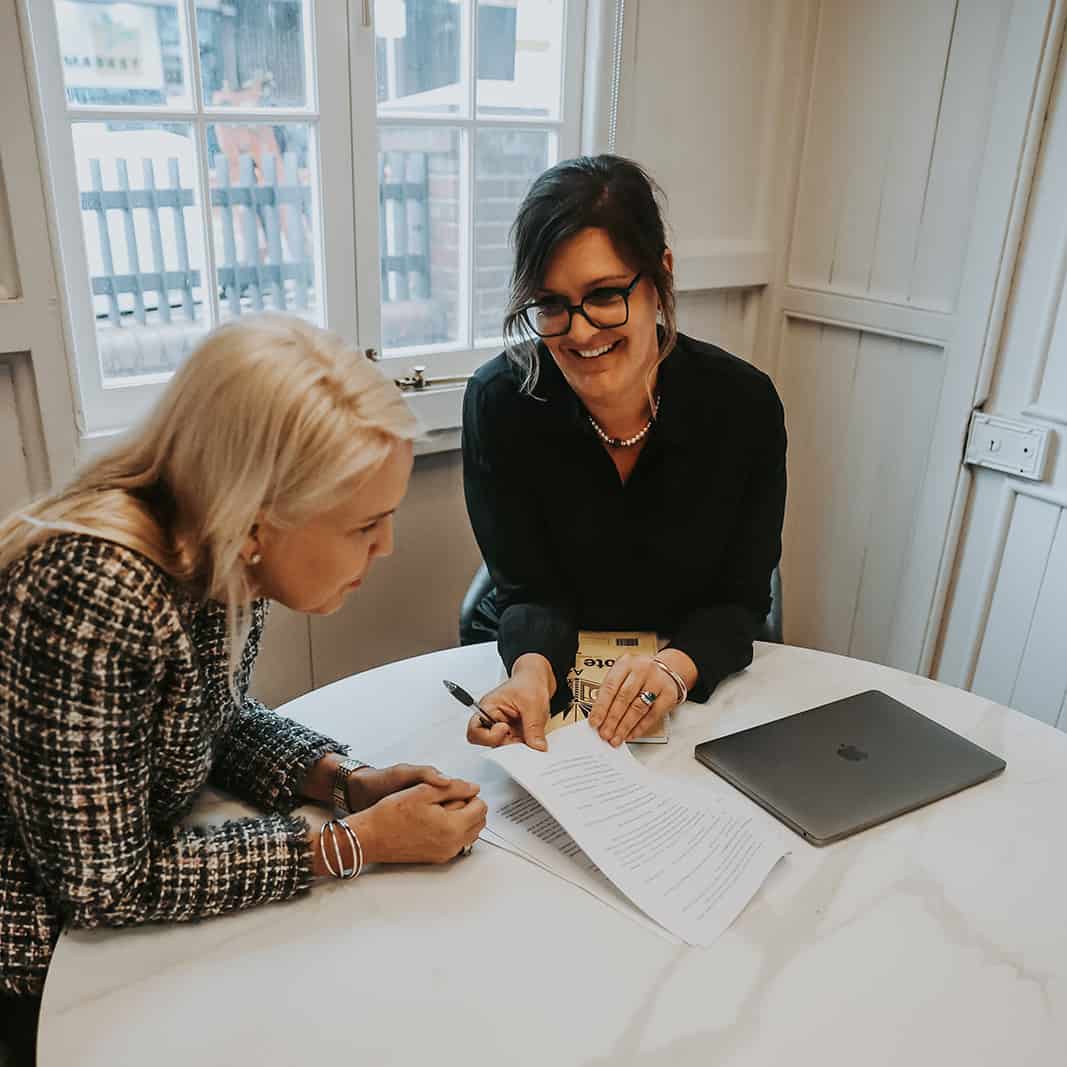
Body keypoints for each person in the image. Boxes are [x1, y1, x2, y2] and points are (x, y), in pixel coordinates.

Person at [0, 314, 486, 1066]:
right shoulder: (91, 591)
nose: (387, 547)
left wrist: (346, 781)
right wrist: (358, 844)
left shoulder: (220, 549)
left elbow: (209, 720)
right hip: (38, 964)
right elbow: (104, 885)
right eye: (366, 525)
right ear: (263, 515)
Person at [462, 154, 787, 752]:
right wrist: (530, 675)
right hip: (550, 683)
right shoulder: (500, 403)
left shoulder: (744, 405)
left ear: (660, 275)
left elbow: (740, 600)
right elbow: (528, 589)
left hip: (692, 685)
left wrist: (673, 668)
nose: (580, 331)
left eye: (605, 295)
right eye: (551, 305)